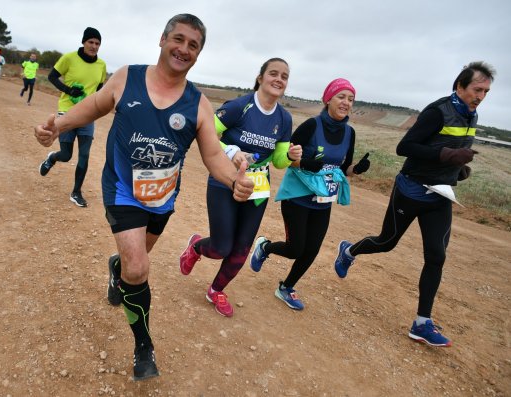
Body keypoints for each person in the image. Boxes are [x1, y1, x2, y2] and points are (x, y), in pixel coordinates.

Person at [34, 14, 254, 381]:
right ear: (162, 39)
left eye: (193, 45)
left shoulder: (198, 103)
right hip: (122, 189)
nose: (184, 49)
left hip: (162, 199)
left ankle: (116, 268)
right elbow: (94, 106)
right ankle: (143, 346)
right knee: (139, 268)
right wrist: (56, 126)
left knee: (132, 263)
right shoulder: (128, 77)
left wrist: (235, 180)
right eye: (178, 39)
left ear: (198, 54)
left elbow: (214, 155)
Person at [332, 62, 495, 347]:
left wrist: (457, 170)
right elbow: (405, 147)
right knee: (386, 242)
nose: (480, 96)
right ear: (460, 86)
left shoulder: (472, 114)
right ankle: (348, 250)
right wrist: (445, 156)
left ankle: (422, 323)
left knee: (436, 256)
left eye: (486, 91)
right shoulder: (438, 111)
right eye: (477, 89)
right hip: (411, 190)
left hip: (440, 195)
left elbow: (451, 151)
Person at [178, 58, 302, 317]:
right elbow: (205, 132)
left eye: (285, 76)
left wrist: (289, 156)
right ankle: (197, 246)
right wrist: (232, 150)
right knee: (222, 246)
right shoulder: (240, 106)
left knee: (242, 248)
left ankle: (216, 290)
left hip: (257, 187)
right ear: (260, 78)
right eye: (274, 74)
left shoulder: (284, 118)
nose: (279, 79)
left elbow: (278, 162)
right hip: (224, 179)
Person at [248, 78, 371, 310]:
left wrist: (356, 170)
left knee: (311, 250)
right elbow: (285, 159)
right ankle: (264, 247)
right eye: (341, 97)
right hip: (297, 197)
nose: (346, 102)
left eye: (351, 99)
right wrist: (304, 163)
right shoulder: (311, 126)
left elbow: (343, 169)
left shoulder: (349, 133)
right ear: (328, 100)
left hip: (323, 200)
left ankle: (286, 287)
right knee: (295, 249)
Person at [37, 27, 107, 207]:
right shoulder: (69, 58)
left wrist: (96, 105)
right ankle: (53, 158)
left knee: (84, 155)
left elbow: (99, 90)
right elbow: (52, 76)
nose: (94, 46)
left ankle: (76, 192)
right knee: (66, 155)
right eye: (91, 42)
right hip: (67, 112)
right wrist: (68, 90)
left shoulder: (101, 66)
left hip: (88, 115)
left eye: (97, 43)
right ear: (83, 42)